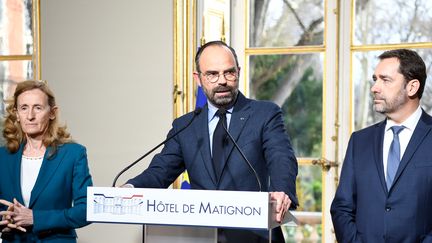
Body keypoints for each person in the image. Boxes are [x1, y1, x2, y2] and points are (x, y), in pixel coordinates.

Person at [124, 41, 298, 242]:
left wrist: (281, 191)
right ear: (198, 78)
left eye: (229, 73)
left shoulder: (265, 114)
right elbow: (160, 172)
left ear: (238, 72)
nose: (222, 81)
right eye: (212, 74)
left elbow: (281, 157)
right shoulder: (185, 126)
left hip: (255, 235)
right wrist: (130, 189)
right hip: (201, 235)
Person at [331, 49, 432, 242]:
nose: (374, 88)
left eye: (385, 80)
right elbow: (342, 207)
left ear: (412, 87)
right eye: (375, 79)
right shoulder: (359, 141)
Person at [0, 80, 93, 242]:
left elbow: (87, 211)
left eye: (38, 107)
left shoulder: (73, 154)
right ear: (16, 114)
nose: (30, 116)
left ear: (52, 113)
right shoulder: (3, 156)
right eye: (24, 108)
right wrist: (4, 221)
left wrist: (36, 218)